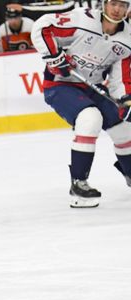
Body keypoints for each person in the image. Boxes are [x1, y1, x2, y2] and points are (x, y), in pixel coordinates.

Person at [31, 0, 131, 207]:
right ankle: (79, 183)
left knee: (123, 128)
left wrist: (125, 99)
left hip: (91, 86)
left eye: (123, 4)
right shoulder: (82, 19)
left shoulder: (127, 40)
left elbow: (119, 78)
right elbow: (42, 26)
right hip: (60, 85)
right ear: (104, 4)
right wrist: (54, 56)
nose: (117, 9)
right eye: (113, 3)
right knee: (90, 118)